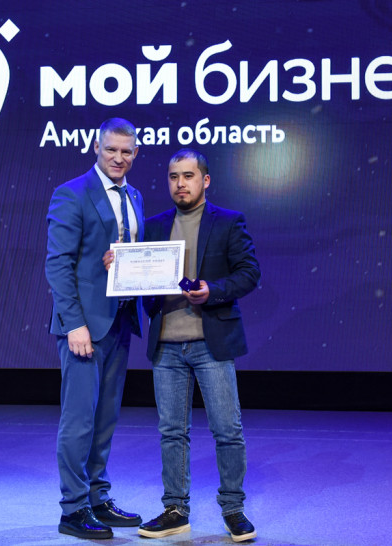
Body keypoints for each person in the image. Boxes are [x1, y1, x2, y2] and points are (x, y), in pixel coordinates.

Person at [138, 148, 261, 542]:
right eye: (174, 177)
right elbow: (141, 278)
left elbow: (249, 273)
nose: (180, 184)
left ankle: (233, 509)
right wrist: (120, 267)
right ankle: (175, 510)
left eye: (188, 176)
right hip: (166, 345)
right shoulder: (154, 226)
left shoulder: (228, 221)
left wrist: (213, 290)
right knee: (172, 433)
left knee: (227, 430)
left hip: (212, 343)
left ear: (204, 180)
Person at [45, 118, 145, 540]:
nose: (118, 158)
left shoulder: (134, 196)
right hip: (84, 328)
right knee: (79, 421)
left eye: (126, 152)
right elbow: (58, 265)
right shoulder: (72, 193)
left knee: (105, 419)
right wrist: (74, 325)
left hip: (120, 322)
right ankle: (73, 509)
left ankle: (97, 498)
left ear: (135, 153)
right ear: (96, 148)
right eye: (111, 150)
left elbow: (130, 255)